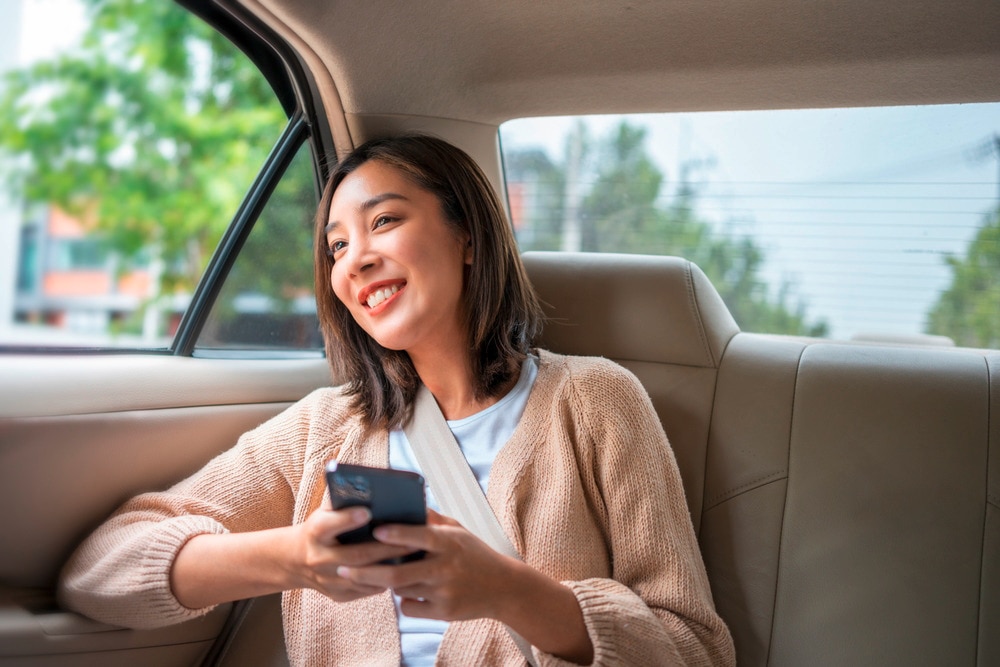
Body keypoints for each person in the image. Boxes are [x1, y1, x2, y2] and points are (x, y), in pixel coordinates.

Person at [59, 135, 736, 666]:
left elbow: (694, 650)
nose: (354, 259)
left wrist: (509, 590)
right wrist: (296, 557)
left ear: (467, 235)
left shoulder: (596, 402)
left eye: (384, 221)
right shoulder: (326, 427)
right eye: (336, 246)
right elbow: (101, 567)